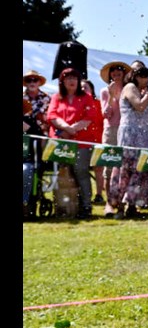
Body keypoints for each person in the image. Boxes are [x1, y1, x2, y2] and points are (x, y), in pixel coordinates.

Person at [46, 68, 102, 219]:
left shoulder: (87, 97)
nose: (72, 81)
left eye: (74, 78)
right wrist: (65, 128)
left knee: (81, 173)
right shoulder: (56, 97)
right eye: (68, 78)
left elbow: (89, 117)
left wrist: (72, 129)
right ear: (62, 81)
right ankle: (63, 206)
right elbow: (51, 116)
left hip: (81, 142)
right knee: (62, 173)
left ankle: (85, 206)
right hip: (61, 142)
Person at [111, 62, 148, 218]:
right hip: (130, 134)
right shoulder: (130, 88)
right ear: (135, 76)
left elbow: (147, 115)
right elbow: (138, 106)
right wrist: (147, 95)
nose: (145, 79)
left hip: (144, 134)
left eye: (147, 76)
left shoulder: (143, 91)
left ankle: (133, 205)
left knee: (142, 170)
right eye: (142, 76)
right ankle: (120, 205)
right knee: (126, 170)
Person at [98, 61, 130, 211]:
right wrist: (111, 96)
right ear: (110, 74)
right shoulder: (105, 90)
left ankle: (122, 201)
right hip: (111, 130)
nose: (116, 72)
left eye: (119, 70)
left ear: (124, 73)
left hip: (127, 130)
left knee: (124, 166)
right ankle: (109, 202)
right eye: (113, 71)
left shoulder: (129, 89)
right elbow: (105, 114)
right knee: (109, 165)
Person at [23, 70, 51, 218]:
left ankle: (32, 203)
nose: (32, 82)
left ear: (39, 82)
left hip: (40, 139)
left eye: (35, 80)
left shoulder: (46, 98)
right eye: (29, 80)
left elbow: (48, 120)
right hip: (24, 139)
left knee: (36, 171)